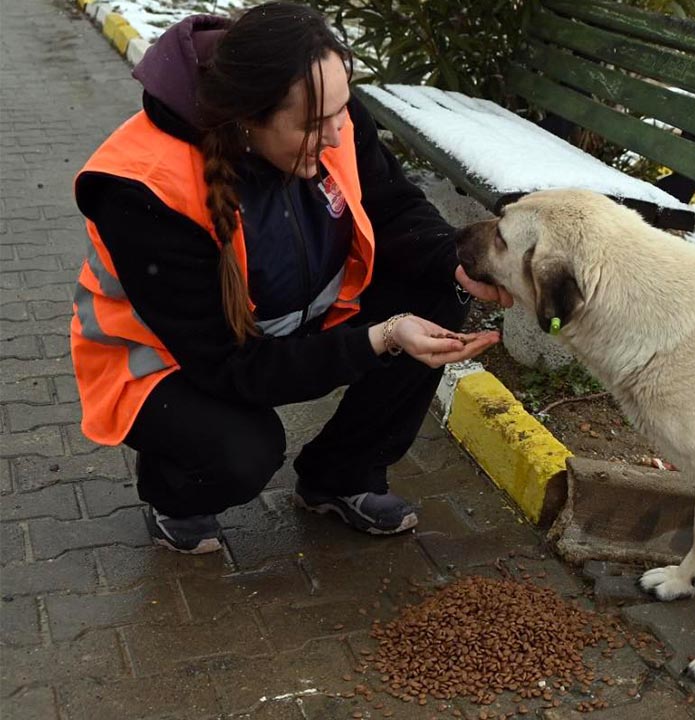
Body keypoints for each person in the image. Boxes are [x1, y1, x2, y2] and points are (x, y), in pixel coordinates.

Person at [70, 2, 512, 554]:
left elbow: (393, 207)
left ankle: (341, 475)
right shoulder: (142, 190)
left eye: (341, 112)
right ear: (246, 119)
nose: (335, 135)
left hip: (292, 318)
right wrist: (382, 337)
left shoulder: (331, 115)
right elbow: (232, 366)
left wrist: (455, 262)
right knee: (244, 452)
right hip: (169, 362)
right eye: (311, 125)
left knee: (437, 285)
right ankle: (171, 490)